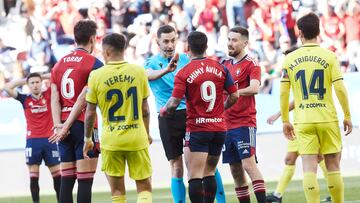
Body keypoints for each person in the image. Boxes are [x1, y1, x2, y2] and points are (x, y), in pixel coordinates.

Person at [145, 25, 226, 203]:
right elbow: (148, 75)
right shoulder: (150, 62)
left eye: (173, 40)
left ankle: (221, 201)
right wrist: (166, 70)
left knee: (205, 163)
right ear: (157, 41)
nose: (169, 45)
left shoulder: (186, 59)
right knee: (176, 166)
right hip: (168, 118)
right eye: (165, 41)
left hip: (192, 115)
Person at [280, 12, 352, 203]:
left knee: (308, 167)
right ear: (319, 32)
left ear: (300, 33)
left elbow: (283, 93)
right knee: (333, 165)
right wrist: (347, 115)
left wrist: (285, 120)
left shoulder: (289, 60)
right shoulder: (329, 56)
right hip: (327, 117)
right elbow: (340, 89)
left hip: (303, 120)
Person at [160, 31, 239, 203]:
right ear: (206, 47)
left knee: (194, 175)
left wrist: (164, 111)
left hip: (197, 129)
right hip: (219, 128)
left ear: (188, 48)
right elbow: (235, 96)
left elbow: (173, 102)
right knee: (209, 171)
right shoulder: (221, 68)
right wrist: (219, 110)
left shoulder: (184, 72)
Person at [84, 33, 152, 203]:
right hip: (136, 138)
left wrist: (88, 138)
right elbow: (145, 109)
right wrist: (147, 133)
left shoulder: (96, 76)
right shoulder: (138, 71)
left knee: (117, 192)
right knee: (144, 188)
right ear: (124, 49)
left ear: (106, 52)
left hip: (111, 140)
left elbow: (90, 111)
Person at [49, 20, 103, 203]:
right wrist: (66, 126)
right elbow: (82, 98)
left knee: (67, 178)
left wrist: (59, 125)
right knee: (85, 180)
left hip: (63, 125)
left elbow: (54, 96)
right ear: (92, 39)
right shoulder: (95, 63)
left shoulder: (59, 64)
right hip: (83, 125)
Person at [220, 26, 266, 203]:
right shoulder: (224, 65)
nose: (230, 43)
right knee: (235, 170)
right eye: (229, 39)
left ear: (245, 43)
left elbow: (255, 88)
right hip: (225, 124)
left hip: (244, 122)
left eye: (234, 40)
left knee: (248, 164)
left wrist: (234, 92)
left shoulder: (251, 64)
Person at [3, 73, 61, 203]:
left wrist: (40, 76)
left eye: (37, 82)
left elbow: (56, 76)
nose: (35, 85)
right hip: (33, 141)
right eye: (32, 83)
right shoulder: (24, 99)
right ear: (28, 86)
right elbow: (7, 87)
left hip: (49, 140)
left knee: (57, 176)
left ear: (42, 83)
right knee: (34, 177)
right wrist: (26, 79)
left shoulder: (49, 94)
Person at [265, 101, 331, 203]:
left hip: (311, 125)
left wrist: (278, 114)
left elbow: (296, 101)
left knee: (319, 157)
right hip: (298, 127)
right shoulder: (297, 87)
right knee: (289, 160)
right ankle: (277, 195)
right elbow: (296, 101)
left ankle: (333, 190)